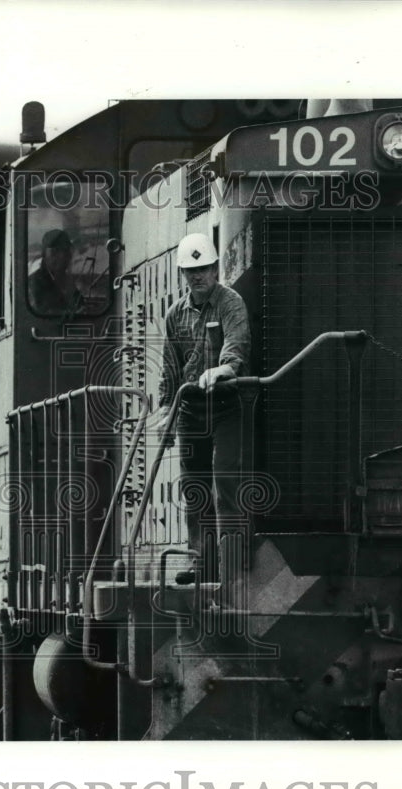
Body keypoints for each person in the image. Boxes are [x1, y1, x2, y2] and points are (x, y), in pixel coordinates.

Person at [157, 233, 251, 584]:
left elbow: (237, 344)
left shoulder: (231, 303)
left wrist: (224, 368)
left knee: (226, 478)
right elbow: (169, 368)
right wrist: (165, 414)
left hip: (227, 405)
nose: (196, 276)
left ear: (215, 269)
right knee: (193, 488)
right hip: (191, 411)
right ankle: (201, 562)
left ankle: (232, 562)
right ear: (183, 274)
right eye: (189, 271)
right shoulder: (174, 315)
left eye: (203, 269)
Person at [28, 228, 76, 314]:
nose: (62, 257)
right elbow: (42, 313)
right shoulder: (33, 283)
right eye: (55, 252)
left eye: (66, 251)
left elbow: (78, 302)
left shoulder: (65, 280)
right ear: (45, 255)